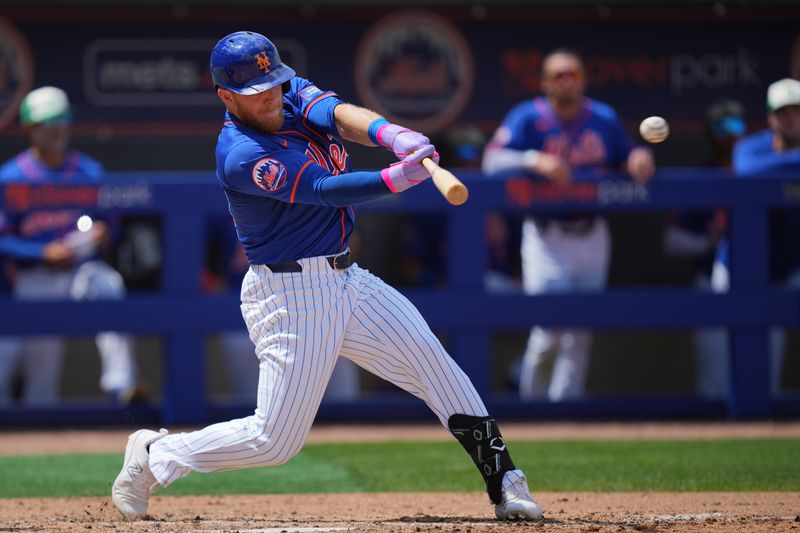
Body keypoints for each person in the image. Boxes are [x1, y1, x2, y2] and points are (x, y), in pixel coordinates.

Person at [111, 31, 543, 522]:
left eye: (273, 83)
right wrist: (394, 178)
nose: (272, 96)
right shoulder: (241, 153)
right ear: (227, 97)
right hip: (290, 295)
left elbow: (337, 114)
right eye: (257, 92)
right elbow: (323, 189)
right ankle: (154, 456)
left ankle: (508, 483)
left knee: (434, 364)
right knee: (273, 441)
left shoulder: (285, 91)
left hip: (347, 277)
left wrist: (391, 134)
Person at [482, 49, 655, 401]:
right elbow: (492, 162)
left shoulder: (603, 118)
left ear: (582, 80)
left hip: (592, 232)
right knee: (548, 329)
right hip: (548, 234)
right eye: (558, 76)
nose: (566, 82)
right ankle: (531, 406)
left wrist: (639, 155)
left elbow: (629, 156)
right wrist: (534, 159)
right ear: (545, 82)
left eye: (572, 75)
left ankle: (567, 408)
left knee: (581, 330)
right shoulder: (527, 117)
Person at [0, 86, 145, 405]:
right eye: (46, 121)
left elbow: (113, 225)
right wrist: (40, 252)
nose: (55, 128)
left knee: (108, 286)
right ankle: (41, 433)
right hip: (34, 275)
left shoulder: (88, 171)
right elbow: (2, 239)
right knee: (43, 366)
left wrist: (105, 234)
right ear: (30, 128)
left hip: (81, 268)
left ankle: (122, 384)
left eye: (61, 119)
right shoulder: (10, 176)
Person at [662, 98, 744, 398]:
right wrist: (708, 243)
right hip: (709, 281)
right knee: (714, 383)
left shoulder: (756, 169)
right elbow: (672, 241)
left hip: (762, 283)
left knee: (764, 382)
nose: (729, 133)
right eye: (720, 126)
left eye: (735, 124)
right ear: (709, 133)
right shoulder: (700, 178)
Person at [728, 77, 800, 394]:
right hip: (741, 267)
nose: (790, 118)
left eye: (796, 111)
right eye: (783, 112)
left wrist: (781, 165)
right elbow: (747, 173)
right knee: (740, 364)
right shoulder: (751, 146)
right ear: (771, 117)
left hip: (792, 265)